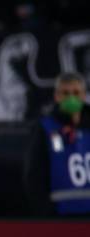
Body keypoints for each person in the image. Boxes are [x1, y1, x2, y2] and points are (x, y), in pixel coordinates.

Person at [25, 72, 90, 216]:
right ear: (57, 96)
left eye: (76, 93)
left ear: (84, 95)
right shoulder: (46, 128)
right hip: (60, 215)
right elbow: (35, 174)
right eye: (65, 93)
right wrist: (46, 212)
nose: (71, 98)